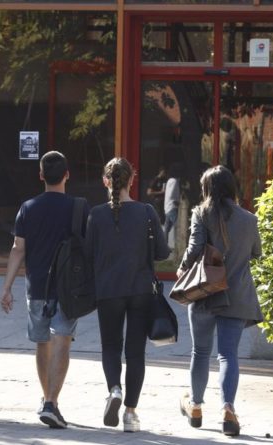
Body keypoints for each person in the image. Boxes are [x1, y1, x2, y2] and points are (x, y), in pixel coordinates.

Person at [0, 151, 86, 429]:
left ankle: (46, 399)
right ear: (67, 175)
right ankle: (51, 402)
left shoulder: (28, 207)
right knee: (63, 340)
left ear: (40, 176)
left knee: (42, 342)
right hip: (68, 287)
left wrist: (7, 286)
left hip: (36, 285)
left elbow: (17, 249)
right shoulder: (77, 208)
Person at [177, 165, 263, 437]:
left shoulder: (201, 213)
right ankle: (228, 408)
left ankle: (196, 407)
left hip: (205, 293)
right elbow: (256, 253)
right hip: (236, 295)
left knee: (200, 352)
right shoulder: (249, 219)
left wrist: (181, 269)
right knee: (228, 355)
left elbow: (194, 249)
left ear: (207, 189)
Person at [85, 157, 168, 432]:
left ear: (105, 181)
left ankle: (114, 390)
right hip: (140, 289)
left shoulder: (96, 215)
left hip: (108, 290)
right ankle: (131, 413)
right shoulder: (146, 212)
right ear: (132, 180)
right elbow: (162, 252)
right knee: (135, 353)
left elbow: (87, 254)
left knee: (110, 347)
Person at [163, 164, 182, 249]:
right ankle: (178, 245)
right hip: (172, 207)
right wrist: (177, 201)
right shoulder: (174, 181)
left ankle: (164, 246)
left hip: (167, 207)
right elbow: (171, 194)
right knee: (177, 226)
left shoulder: (169, 181)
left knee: (167, 228)